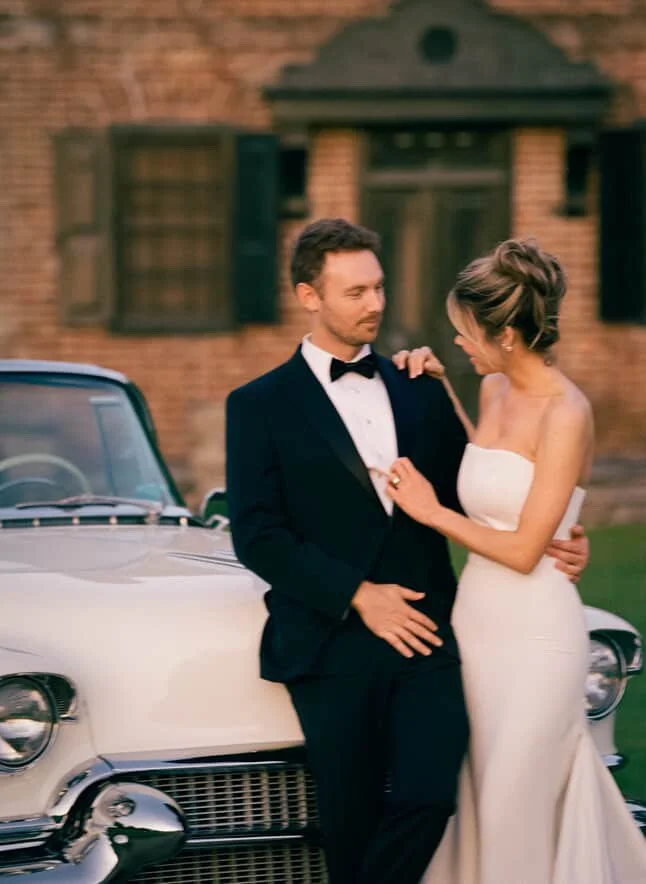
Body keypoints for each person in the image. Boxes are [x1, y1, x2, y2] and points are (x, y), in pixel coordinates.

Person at [225, 219, 589, 884]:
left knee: (431, 796)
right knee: (350, 816)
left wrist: (565, 528)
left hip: (434, 636)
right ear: (310, 297)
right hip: (330, 642)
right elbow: (256, 534)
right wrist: (358, 596)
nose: (376, 304)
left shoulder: (419, 384)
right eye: (356, 292)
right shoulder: (258, 406)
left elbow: (487, 486)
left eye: (380, 287)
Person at [386, 238, 646, 884]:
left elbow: (528, 548)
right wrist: (444, 391)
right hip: (478, 626)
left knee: (514, 800)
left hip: (537, 635)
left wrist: (429, 511)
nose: (459, 346)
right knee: (476, 791)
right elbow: (491, 473)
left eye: (466, 335)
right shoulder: (493, 388)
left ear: (505, 333)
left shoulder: (569, 412)